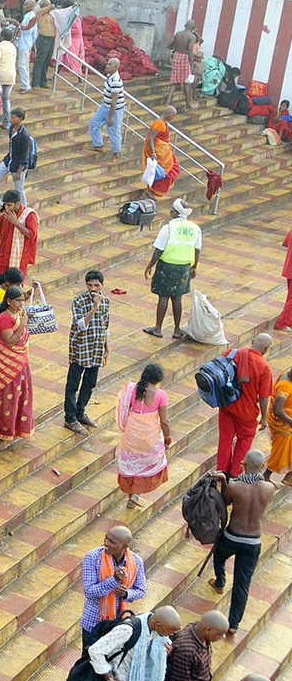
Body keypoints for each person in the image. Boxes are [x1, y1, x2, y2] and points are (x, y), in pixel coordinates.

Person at [212, 450, 276, 635]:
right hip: (253, 540)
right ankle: (233, 624)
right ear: (262, 467)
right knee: (242, 584)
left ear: (243, 464)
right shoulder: (269, 488)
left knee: (219, 554)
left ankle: (220, 581)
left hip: (232, 535)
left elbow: (226, 502)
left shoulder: (235, 486)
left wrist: (224, 481)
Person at [87, 607, 182, 681]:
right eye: (170, 632)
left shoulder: (158, 634)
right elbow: (95, 651)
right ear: (159, 625)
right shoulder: (128, 630)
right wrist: (112, 680)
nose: (171, 635)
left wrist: (166, 653)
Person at [0, 286, 34, 444]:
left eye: (22, 300)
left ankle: (15, 427)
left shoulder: (17, 313)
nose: (21, 303)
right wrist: (23, 324)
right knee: (5, 393)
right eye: (18, 300)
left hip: (19, 361)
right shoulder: (5, 317)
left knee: (19, 393)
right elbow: (10, 341)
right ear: (9, 300)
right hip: (7, 360)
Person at [143, 199, 201, 339]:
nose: (170, 210)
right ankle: (176, 330)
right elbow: (197, 249)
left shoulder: (168, 228)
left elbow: (159, 250)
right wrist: (194, 267)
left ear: (175, 212)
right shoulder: (195, 228)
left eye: (172, 209)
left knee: (163, 296)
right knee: (177, 298)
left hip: (167, 265)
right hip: (184, 267)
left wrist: (150, 265)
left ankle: (158, 328)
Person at [116, 363, 171, 508]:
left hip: (132, 433)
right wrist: (167, 439)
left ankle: (132, 496)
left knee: (133, 463)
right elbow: (164, 421)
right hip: (150, 436)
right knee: (144, 465)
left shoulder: (132, 389)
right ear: (158, 380)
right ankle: (135, 495)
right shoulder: (161, 395)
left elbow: (125, 408)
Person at [221, 335, 274, 477]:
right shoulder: (264, 368)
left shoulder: (232, 353)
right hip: (247, 412)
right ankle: (236, 473)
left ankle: (221, 471)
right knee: (244, 441)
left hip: (227, 405)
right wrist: (263, 417)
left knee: (225, 439)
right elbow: (264, 396)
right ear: (266, 349)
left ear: (252, 342)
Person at [67, 269, 111, 434]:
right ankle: (70, 418)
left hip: (97, 348)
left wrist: (107, 348)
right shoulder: (78, 300)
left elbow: (105, 325)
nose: (93, 288)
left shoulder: (106, 301)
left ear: (102, 285)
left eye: (96, 285)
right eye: (90, 285)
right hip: (81, 348)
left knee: (90, 383)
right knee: (73, 384)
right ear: (86, 285)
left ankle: (80, 412)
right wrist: (93, 309)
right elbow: (80, 325)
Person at [166, 611, 228, 681]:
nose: (222, 637)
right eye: (220, 635)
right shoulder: (186, 651)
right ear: (208, 630)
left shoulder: (198, 631)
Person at [0, 189, 39, 280]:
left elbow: (31, 235)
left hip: (19, 258)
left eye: (9, 205)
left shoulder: (29, 215)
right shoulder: (5, 212)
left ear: (17, 203)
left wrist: (16, 223)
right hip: (3, 256)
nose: (6, 207)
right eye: (5, 204)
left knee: (15, 288)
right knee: (1, 285)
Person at [90, 57, 126, 159]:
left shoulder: (115, 81)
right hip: (105, 105)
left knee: (114, 131)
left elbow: (114, 101)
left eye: (109, 64)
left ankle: (116, 153)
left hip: (115, 109)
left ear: (115, 67)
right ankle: (98, 145)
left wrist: (111, 117)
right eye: (107, 64)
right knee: (94, 123)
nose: (107, 66)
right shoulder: (110, 76)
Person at [144, 106, 181, 196]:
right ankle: (151, 190)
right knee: (166, 172)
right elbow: (151, 138)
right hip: (158, 152)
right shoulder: (159, 123)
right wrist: (153, 153)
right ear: (168, 114)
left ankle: (152, 190)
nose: (172, 118)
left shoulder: (163, 122)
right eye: (172, 116)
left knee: (170, 170)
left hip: (163, 151)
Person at [267, 372, 292, 484]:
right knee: (280, 452)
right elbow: (278, 410)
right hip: (281, 424)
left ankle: (290, 475)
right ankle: (266, 475)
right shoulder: (285, 386)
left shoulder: (285, 376)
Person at [169, 20, 199, 107]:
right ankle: (188, 104)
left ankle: (168, 102)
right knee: (187, 82)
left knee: (174, 82)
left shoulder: (178, 33)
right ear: (193, 28)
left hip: (177, 56)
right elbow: (190, 51)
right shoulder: (192, 37)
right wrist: (191, 64)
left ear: (185, 25)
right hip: (185, 57)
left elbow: (169, 45)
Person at [0, 29, 17, 129]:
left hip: (0, 74)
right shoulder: (13, 47)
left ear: (1, 37)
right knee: (6, 99)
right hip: (11, 74)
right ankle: (6, 122)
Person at [31, 0, 55, 89]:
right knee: (40, 61)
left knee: (46, 61)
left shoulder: (50, 15)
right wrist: (50, 6)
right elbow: (37, 12)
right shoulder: (40, 14)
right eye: (48, 5)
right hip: (43, 39)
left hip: (51, 39)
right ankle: (35, 83)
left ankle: (43, 81)